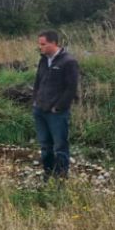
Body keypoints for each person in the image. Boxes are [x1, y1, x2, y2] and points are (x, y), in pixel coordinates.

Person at [32, 29, 80, 180]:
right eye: (39, 44)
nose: (40, 47)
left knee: (60, 146)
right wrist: (35, 101)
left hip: (57, 113)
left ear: (53, 43)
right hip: (40, 109)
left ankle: (60, 178)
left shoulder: (68, 62)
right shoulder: (43, 60)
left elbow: (71, 88)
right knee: (45, 146)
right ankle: (48, 174)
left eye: (43, 44)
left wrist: (58, 107)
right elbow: (38, 82)